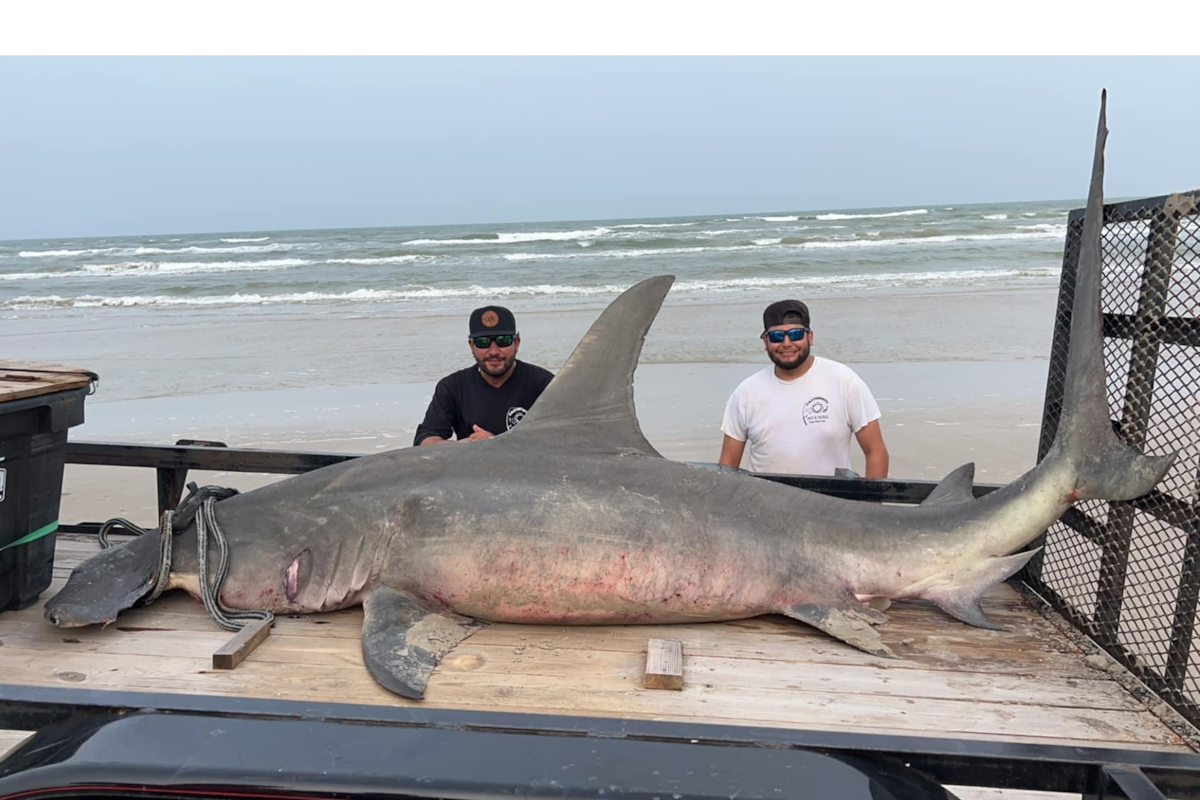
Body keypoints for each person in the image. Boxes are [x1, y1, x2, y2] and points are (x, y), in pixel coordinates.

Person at [718, 299, 889, 478]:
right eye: (777, 336)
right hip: (765, 502)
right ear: (765, 341)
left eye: (795, 334)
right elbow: (727, 466)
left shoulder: (844, 381)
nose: (786, 343)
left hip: (833, 502)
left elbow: (876, 452)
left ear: (810, 337)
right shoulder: (746, 392)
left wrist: (873, 504)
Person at [413, 304, 554, 446]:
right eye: (483, 342)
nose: (493, 351)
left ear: (516, 343)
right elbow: (425, 439)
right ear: (471, 346)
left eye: (503, 340)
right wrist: (459, 447)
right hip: (473, 465)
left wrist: (496, 444)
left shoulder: (544, 385)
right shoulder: (452, 387)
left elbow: (565, 437)